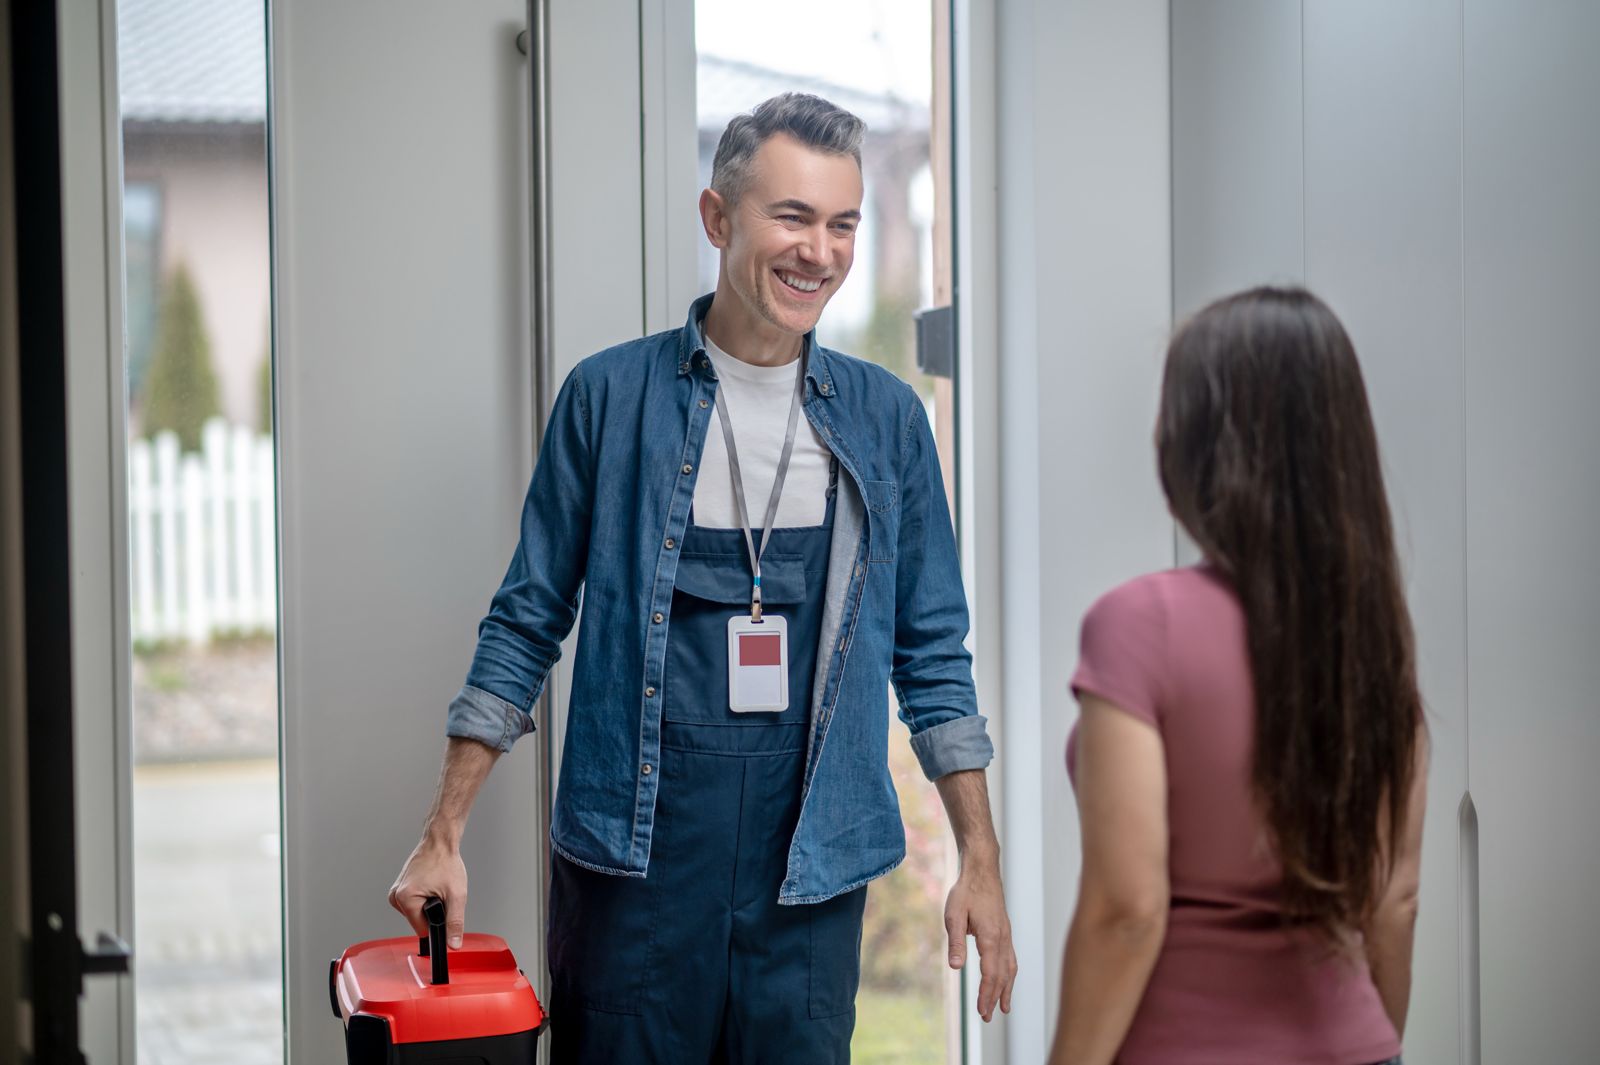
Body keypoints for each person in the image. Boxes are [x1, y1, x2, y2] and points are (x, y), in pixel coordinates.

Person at [388, 92, 1017, 1063]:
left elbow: (933, 652)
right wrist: (443, 831)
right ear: (717, 219)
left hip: (807, 880)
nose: (821, 251)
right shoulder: (609, 399)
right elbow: (526, 622)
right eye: (793, 216)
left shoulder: (887, 422)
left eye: (843, 223)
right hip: (632, 872)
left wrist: (981, 857)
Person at [1048, 287, 1428, 1065]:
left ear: (1198, 444)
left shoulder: (1139, 622)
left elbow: (1128, 908)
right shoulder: (1373, 636)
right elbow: (1395, 900)